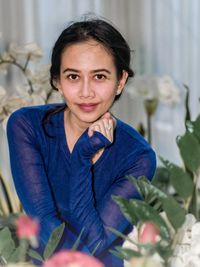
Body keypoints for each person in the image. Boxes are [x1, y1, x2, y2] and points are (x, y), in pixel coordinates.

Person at [7, 17, 156, 267]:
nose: (86, 92)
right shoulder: (27, 126)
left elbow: (97, 244)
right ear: (57, 80)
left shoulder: (138, 157)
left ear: (120, 81)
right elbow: (42, 221)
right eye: (73, 77)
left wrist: (81, 156)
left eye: (99, 76)